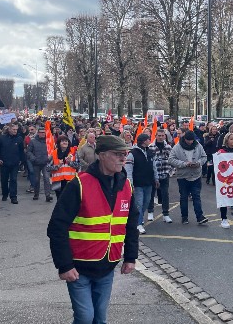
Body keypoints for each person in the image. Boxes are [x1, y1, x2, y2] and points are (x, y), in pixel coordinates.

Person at [47, 135, 139, 324]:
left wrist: (130, 257)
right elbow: (57, 226)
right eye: (118, 154)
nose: (124, 158)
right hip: (79, 267)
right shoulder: (79, 184)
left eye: (125, 154)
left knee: (100, 318)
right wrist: (64, 265)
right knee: (85, 318)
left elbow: (131, 224)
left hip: (107, 266)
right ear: (102, 155)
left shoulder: (126, 185)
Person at [169, 130, 208, 225]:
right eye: (188, 140)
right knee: (183, 197)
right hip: (183, 176)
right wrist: (184, 164)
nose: (190, 142)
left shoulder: (198, 145)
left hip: (196, 175)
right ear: (184, 139)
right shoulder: (177, 147)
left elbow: (204, 157)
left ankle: (200, 217)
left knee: (196, 197)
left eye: (191, 140)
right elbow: (171, 159)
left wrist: (198, 163)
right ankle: (184, 217)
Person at [125, 134, 158, 235]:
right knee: (138, 204)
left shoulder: (150, 152)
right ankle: (138, 224)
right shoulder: (132, 153)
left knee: (146, 203)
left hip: (149, 182)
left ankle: (139, 219)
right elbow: (129, 169)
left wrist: (156, 178)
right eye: (148, 139)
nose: (150, 141)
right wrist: (130, 183)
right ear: (143, 141)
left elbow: (154, 166)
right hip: (138, 183)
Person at [147, 130, 173, 224]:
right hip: (154, 175)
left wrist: (170, 171)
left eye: (162, 135)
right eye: (159, 135)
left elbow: (172, 159)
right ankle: (150, 212)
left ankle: (166, 214)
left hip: (165, 174)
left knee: (165, 194)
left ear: (165, 137)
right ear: (156, 136)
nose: (161, 137)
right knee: (151, 194)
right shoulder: (151, 147)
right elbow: (148, 161)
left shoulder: (168, 147)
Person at [0, 124, 25, 204]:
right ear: (9, 130)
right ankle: (5, 194)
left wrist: (21, 161)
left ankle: (13, 197)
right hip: (4, 163)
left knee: (13, 179)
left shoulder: (19, 139)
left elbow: (21, 150)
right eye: (13, 129)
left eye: (16, 129)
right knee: (4, 180)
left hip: (15, 163)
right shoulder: (2, 138)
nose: (15, 131)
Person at [48, 136, 80, 200]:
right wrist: (57, 166)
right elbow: (48, 167)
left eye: (66, 141)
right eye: (62, 141)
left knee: (69, 200)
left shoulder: (73, 153)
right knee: (60, 200)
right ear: (59, 143)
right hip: (58, 182)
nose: (64, 142)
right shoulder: (54, 153)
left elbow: (78, 165)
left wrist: (70, 163)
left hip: (70, 181)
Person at [28, 127, 53, 201]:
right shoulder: (33, 141)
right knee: (36, 180)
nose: (43, 134)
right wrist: (33, 158)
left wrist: (49, 158)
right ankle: (36, 194)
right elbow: (29, 152)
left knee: (46, 179)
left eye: (44, 132)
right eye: (41, 132)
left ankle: (48, 195)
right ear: (38, 133)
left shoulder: (48, 141)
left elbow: (52, 151)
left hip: (45, 162)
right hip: (36, 163)